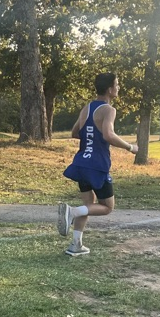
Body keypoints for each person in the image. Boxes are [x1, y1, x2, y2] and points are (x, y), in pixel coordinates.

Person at [57, 72, 138, 256]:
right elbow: (109, 135)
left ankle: (75, 245)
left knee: (88, 205)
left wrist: (90, 135)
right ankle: (71, 212)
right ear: (110, 89)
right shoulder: (109, 110)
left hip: (81, 163)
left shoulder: (87, 108)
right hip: (97, 165)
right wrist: (130, 147)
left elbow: (75, 132)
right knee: (107, 207)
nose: (118, 87)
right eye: (117, 84)